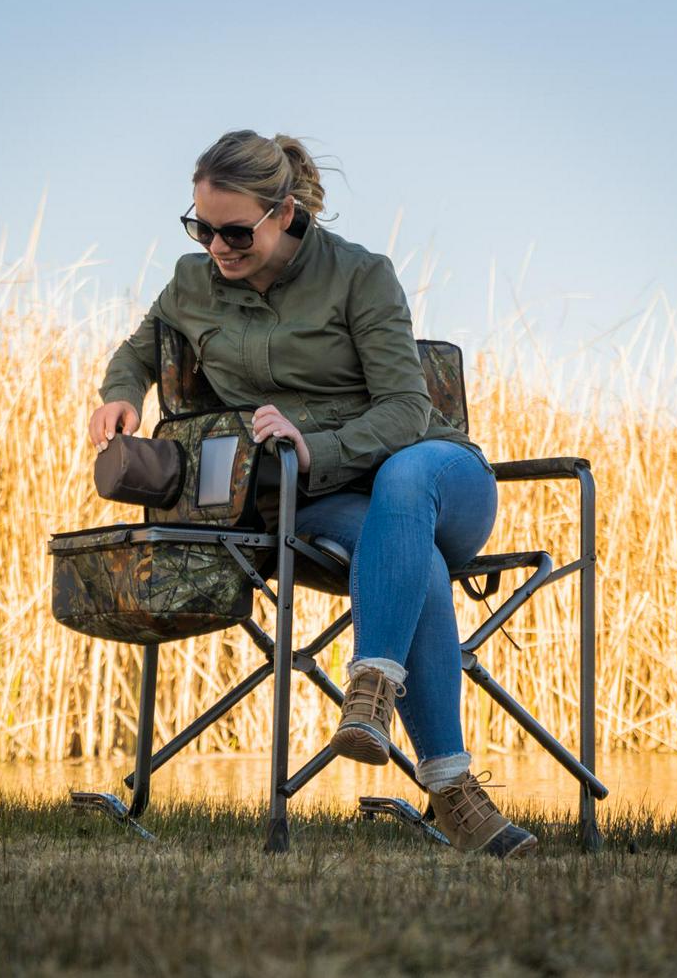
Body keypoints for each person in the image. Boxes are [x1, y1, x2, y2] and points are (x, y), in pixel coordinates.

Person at [88, 130, 535, 858]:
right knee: (410, 563)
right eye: (202, 228)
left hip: (436, 477)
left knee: (405, 481)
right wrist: (120, 396)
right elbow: (142, 345)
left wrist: (314, 443)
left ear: (284, 210)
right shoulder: (192, 280)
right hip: (320, 506)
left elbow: (405, 412)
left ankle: (371, 685)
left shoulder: (361, 275)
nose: (218, 247)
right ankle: (453, 788)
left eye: (235, 232)